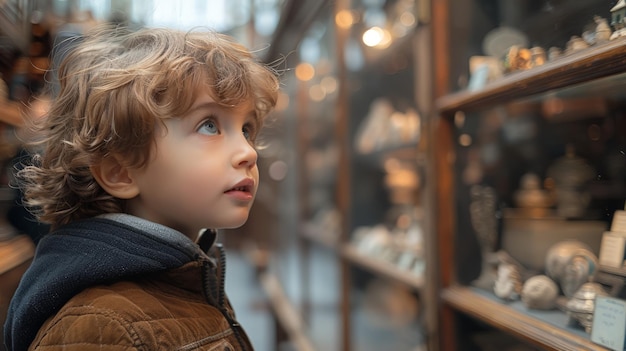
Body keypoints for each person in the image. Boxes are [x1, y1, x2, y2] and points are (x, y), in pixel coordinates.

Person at [4, 24, 279, 351]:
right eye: (209, 125)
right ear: (121, 172)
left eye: (246, 129)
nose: (248, 152)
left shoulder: (186, 274)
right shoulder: (101, 328)